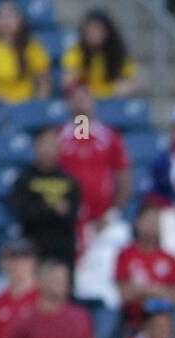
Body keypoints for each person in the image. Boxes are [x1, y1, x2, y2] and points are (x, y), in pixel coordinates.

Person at [58, 84, 132, 240]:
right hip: (68, 220)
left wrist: (112, 214)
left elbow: (124, 178)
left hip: (102, 219)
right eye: (75, 99)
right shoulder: (58, 137)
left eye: (84, 98)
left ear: (93, 102)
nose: (80, 103)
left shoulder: (110, 137)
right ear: (68, 103)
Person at [10, 129, 80, 272]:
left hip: (62, 252)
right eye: (45, 144)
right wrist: (53, 211)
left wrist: (41, 210)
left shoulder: (70, 181)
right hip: (33, 249)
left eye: (53, 144)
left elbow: (71, 216)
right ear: (35, 147)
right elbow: (23, 213)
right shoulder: (24, 180)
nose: (49, 149)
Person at [115, 205, 175, 331]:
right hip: (132, 320)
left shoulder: (169, 258)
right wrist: (157, 290)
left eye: (156, 221)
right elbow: (124, 294)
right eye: (149, 220)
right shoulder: (126, 255)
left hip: (164, 321)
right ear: (137, 223)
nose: (153, 225)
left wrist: (141, 290)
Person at [0, 2, 50, 103]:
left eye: (11, 16)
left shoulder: (32, 46)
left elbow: (43, 81)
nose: (6, 21)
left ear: (20, 20)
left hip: (24, 104)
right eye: (1, 16)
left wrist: (38, 106)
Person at [61, 9, 139, 97]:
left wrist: (122, 87)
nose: (92, 33)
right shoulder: (76, 52)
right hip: (87, 103)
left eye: (96, 28)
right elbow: (68, 82)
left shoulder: (117, 52)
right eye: (88, 29)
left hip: (112, 101)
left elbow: (132, 82)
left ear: (107, 31)